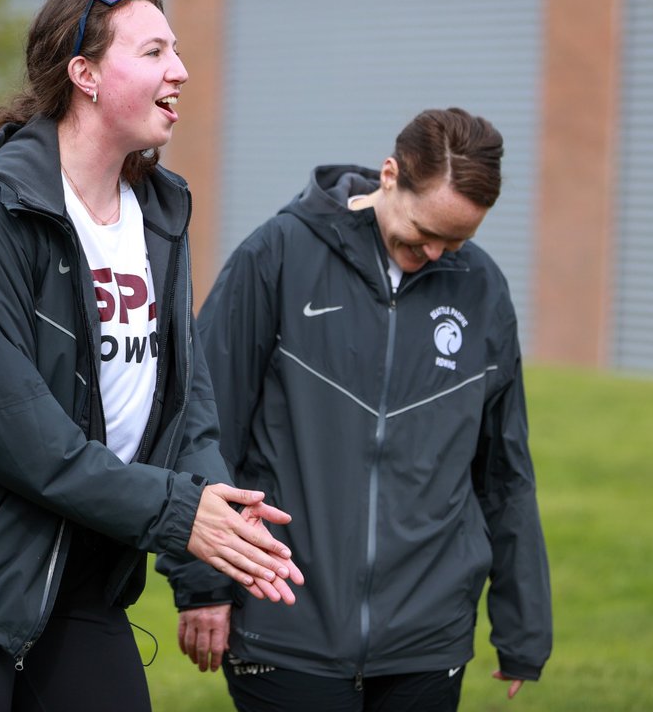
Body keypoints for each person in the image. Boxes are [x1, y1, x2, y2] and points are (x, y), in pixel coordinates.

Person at [0, 0, 302, 712]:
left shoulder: (157, 216)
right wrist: (174, 513)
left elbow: (180, 406)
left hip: (82, 586)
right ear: (85, 75)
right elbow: (13, 430)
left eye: (177, 51)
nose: (180, 71)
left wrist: (213, 531)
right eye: (154, 51)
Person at [170, 107, 553, 710]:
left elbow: (504, 471)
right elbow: (200, 425)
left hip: (428, 640)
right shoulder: (279, 254)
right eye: (424, 230)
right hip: (286, 621)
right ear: (390, 174)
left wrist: (523, 627)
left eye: (456, 241)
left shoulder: (481, 289)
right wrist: (202, 586)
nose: (434, 252)